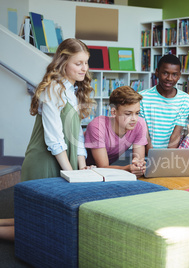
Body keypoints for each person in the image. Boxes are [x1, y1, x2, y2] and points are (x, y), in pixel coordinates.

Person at [2, 38, 94, 242]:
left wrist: (81, 168)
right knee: (35, 227)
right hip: (44, 162)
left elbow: (77, 135)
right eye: (78, 63)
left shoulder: (74, 91)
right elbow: (54, 139)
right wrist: (70, 173)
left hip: (64, 161)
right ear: (63, 63)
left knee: (37, 218)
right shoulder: (54, 89)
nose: (84, 68)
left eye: (86, 63)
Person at [85, 86, 147, 176]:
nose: (134, 119)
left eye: (137, 113)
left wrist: (138, 166)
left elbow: (139, 161)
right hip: (80, 168)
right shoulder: (97, 125)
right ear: (113, 112)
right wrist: (127, 169)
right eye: (128, 114)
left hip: (103, 171)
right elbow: (102, 167)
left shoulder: (140, 123)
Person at [139, 54, 189, 153]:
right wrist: (153, 156)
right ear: (157, 72)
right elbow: (144, 134)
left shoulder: (185, 100)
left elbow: (176, 134)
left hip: (170, 156)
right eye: (165, 73)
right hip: (144, 154)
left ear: (179, 76)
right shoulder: (142, 98)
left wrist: (166, 159)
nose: (169, 78)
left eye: (174, 74)